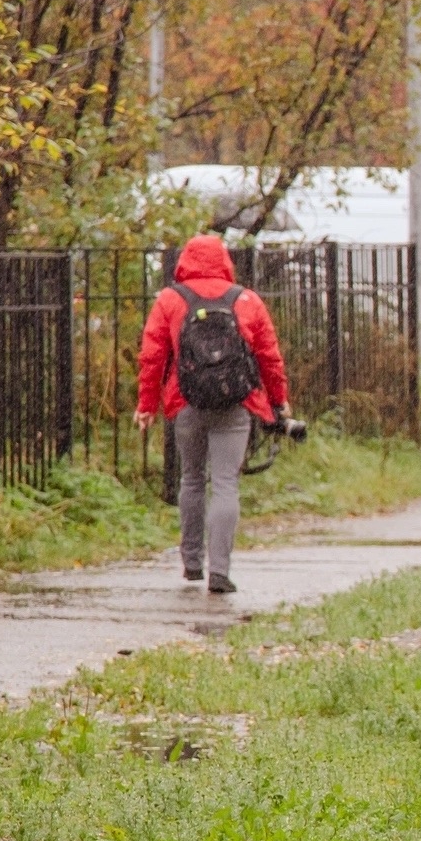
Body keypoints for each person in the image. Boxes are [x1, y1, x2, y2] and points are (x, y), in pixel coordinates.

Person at [135, 233, 290, 596]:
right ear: (225, 261)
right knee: (225, 484)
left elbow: (152, 356)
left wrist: (147, 405)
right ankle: (220, 570)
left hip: (186, 401)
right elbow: (269, 357)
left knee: (190, 478)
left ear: (185, 261)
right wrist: (279, 402)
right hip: (234, 403)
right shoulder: (246, 300)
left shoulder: (171, 300)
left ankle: (191, 561)